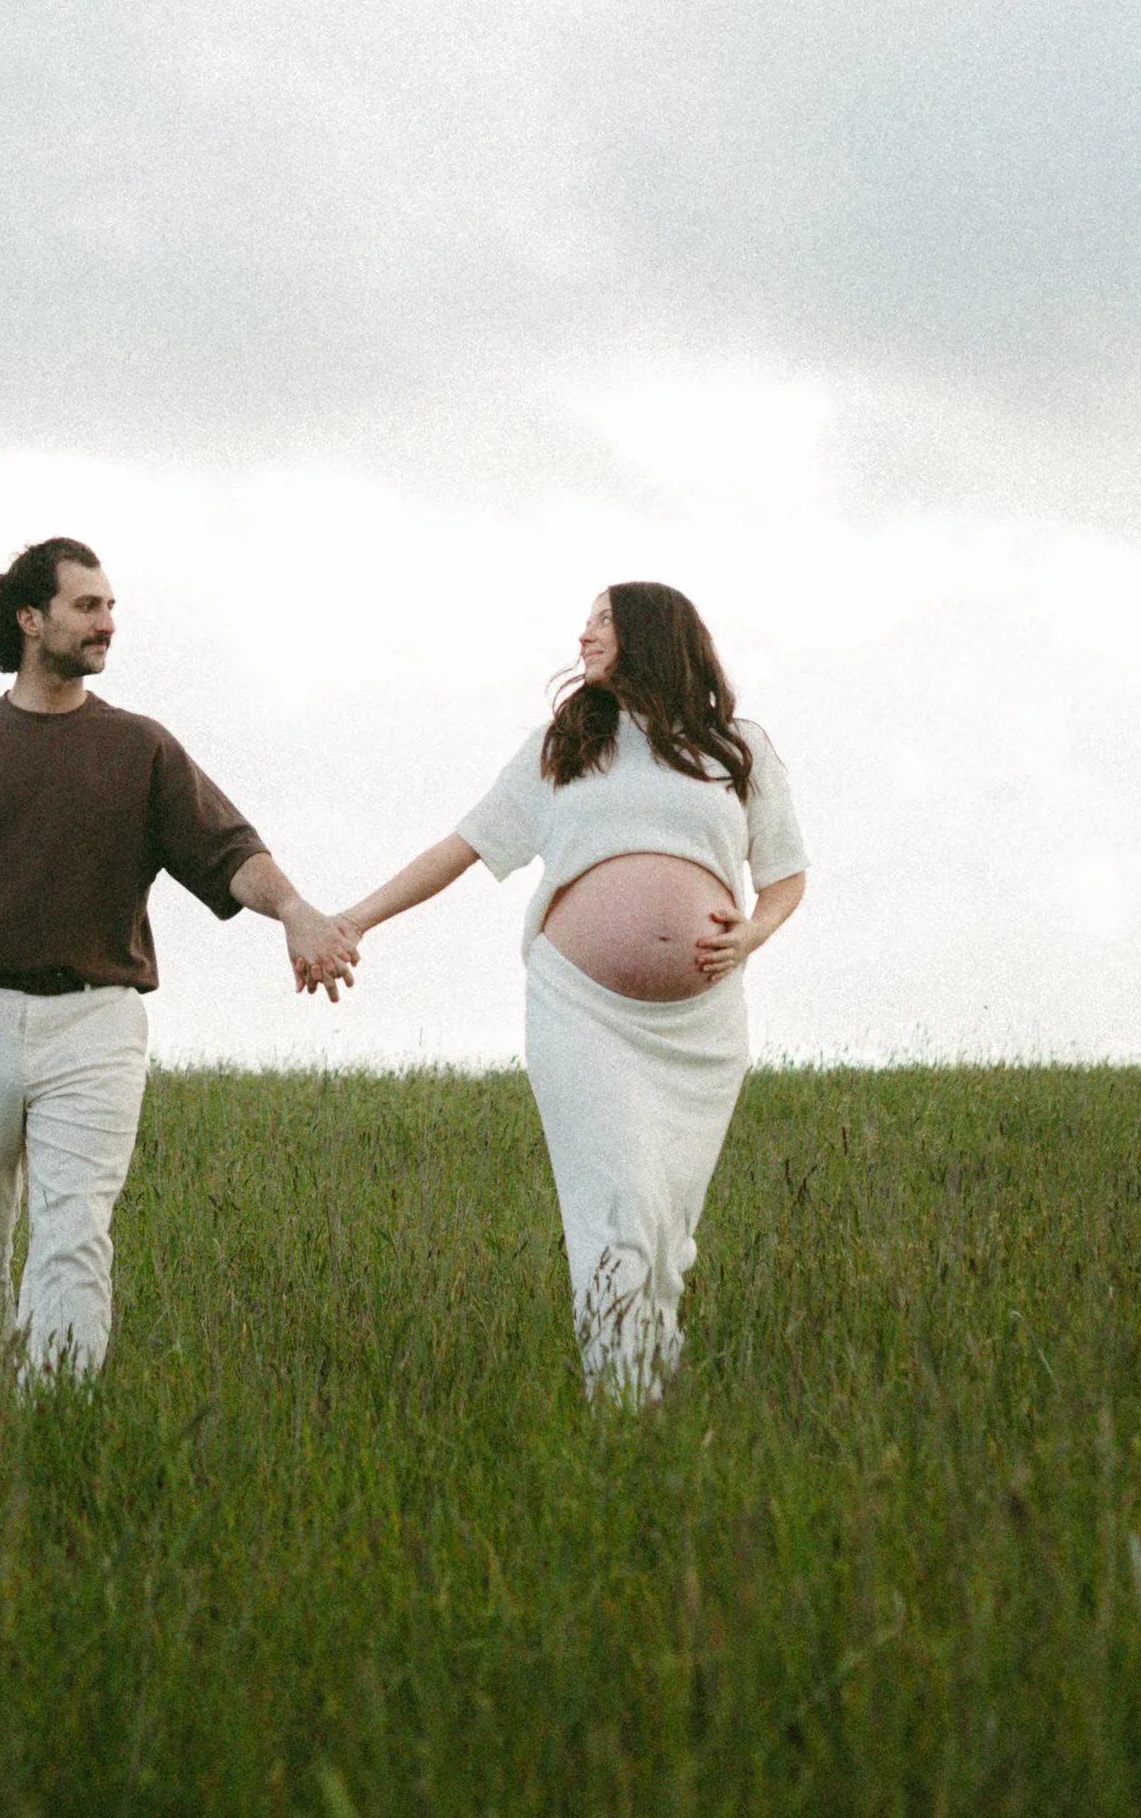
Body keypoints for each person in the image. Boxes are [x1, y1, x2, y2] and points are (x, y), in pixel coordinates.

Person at [0, 536, 357, 1378]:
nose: (107, 624)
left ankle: (56, 1421)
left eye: (111, 607)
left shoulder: (140, 749)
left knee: (74, 1229)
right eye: (88, 606)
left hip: (95, 1020)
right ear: (29, 618)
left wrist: (295, 911)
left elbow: (231, 854)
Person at [339, 582, 805, 1400]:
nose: (582, 635)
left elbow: (785, 878)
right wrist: (355, 920)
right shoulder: (565, 745)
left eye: (601, 621)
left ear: (650, 635)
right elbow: (461, 847)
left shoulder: (740, 749)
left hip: (702, 1031)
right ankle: (620, 1412)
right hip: (583, 1013)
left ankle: (646, 1421)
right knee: (617, 1212)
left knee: (666, 1235)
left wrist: (754, 932)